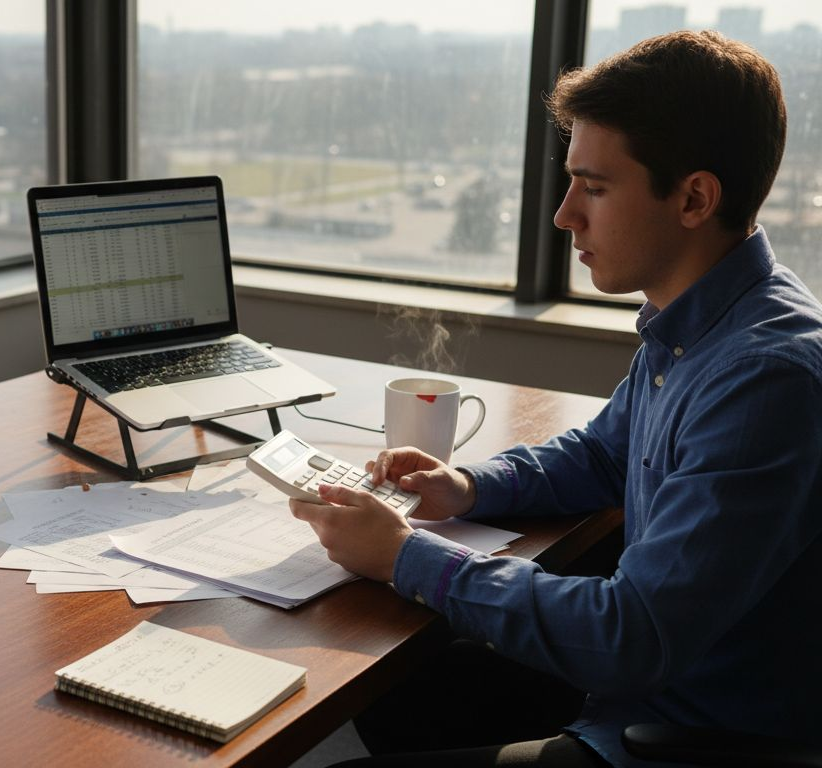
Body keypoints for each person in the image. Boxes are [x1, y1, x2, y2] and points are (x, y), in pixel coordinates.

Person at [291, 30, 822, 768]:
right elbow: (604, 452)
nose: (565, 214)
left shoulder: (767, 378)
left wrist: (406, 555)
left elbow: (630, 637)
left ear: (695, 198)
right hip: (645, 691)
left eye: (595, 187)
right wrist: (468, 485)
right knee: (409, 689)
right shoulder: (706, 319)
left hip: (693, 736)